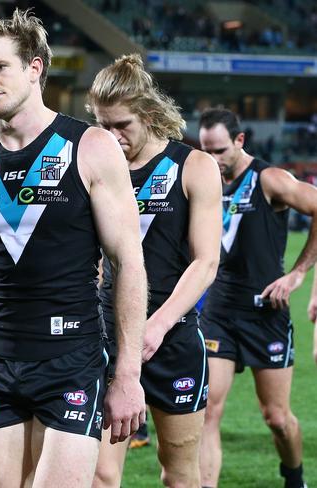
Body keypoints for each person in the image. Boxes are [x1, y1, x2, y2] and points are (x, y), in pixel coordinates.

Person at [0, 10, 147, 487]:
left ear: (35, 68)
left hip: (70, 362)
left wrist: (127, 373)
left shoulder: (91, 147)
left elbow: (127, 262)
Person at [87, 54, 222, 488]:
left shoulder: (194, 166)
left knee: (180, 473)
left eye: (121, 125)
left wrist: (158, 325)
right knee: (102, 474)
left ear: (148, 114)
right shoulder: (96, 168)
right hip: (109, 336)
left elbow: (206, 261)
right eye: (102, 125)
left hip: (174, 337)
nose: (112, 135)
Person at [198, 108, 317, 488]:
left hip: (267, 313)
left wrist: (298, 273)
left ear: (239, 141)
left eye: (219, 151)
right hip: (217, 312)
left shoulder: (269, 179)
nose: (212, 161)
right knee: (206, 414)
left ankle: (294, 477)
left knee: (277, 418)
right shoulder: (204, 181)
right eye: (205, 151)